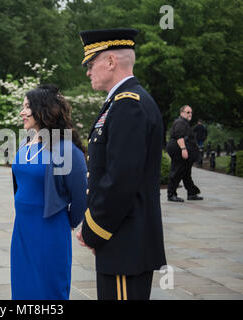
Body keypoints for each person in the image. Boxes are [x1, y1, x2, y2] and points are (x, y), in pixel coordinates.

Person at [75, 29, 167, 300]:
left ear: (111, 62)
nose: (88, 72)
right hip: (122, 238)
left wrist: (93, 229)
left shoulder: (129, 105)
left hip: (125, 240)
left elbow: (120, 180)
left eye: (91, 64)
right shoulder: (120, 102)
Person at [11, 84, 87, 300]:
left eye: (27, 107)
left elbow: (81, 198)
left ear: (42, 110)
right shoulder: (26, 144)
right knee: (22, 288)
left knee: (48, 290)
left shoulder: (67, 149)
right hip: (22, 230)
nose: (22, 112)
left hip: (50, 229)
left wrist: (65, 223)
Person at [167, 105, 203, 202]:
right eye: (188, 112)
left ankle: (191, 193)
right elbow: (179, 136)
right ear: (182, 113)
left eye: (191, 112)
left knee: (186, 172)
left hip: (183, 150)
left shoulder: (184, 123)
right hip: (179, 150)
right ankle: (171, 194)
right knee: (177, 171)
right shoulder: (180, 122)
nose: (190, 114)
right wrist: (183, 149)